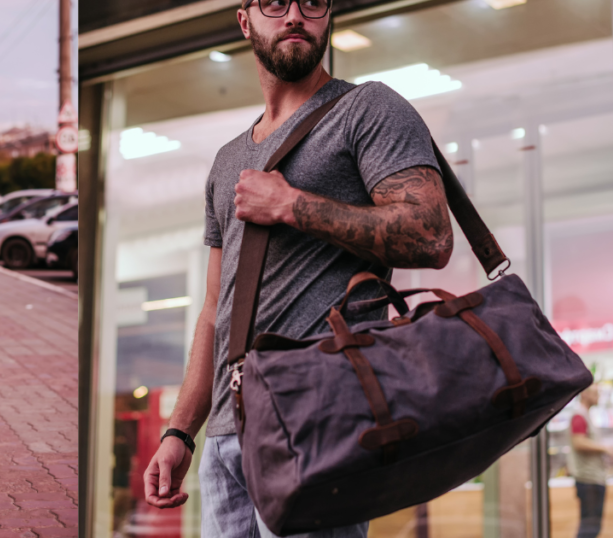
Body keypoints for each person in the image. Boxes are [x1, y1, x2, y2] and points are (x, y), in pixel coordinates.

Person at [142, 0, 455, 536]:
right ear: (245, 20)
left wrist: (292, 205)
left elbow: (432, 235)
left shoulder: (367, 108)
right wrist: (180, 432)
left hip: (318, 419)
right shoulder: (227, 162)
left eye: (312, 2)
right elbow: (215, 310)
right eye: (274, 3)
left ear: (328, 16)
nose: (294, 15)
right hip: (224, 441)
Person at [569, 385, 613, 538]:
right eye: (595, 393)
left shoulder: (585, 416)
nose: (598, 396)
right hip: (588, 479)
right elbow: (579, 442)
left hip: (593, 478)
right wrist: (605, 448)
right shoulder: (579, 416)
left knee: (592, 527)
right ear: (584, 394)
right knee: (589, 528)